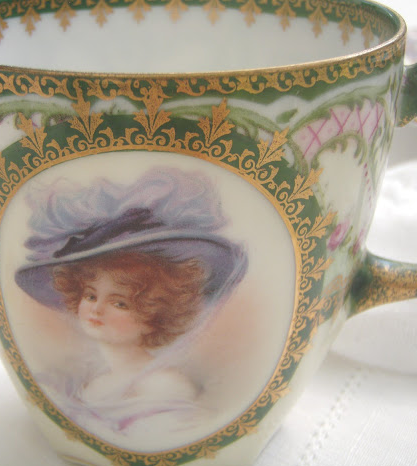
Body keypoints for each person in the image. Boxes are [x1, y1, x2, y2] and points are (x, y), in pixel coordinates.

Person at [13, 167, 248, 444]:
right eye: (90, 295)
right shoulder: (95, 384)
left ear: (156, 313)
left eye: (120, 303)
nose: (97, 309)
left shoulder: (163, 386)